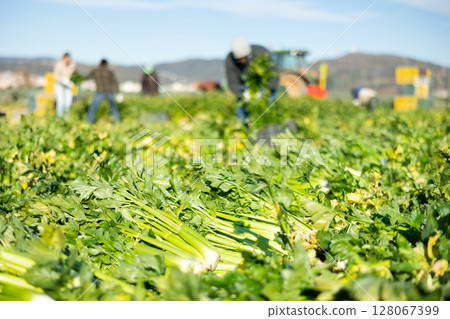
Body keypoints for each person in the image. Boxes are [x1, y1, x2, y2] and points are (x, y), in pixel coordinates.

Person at [225, 38, 278, 123]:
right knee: (242, 112)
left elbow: (274, 76)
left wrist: (265, 91)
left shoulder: (261, 52)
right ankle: (246, 129)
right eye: (239, 59)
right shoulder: (229, 60)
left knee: (270, 110)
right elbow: (232, 82)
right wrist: (242, 93)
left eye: (245, 58)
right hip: (244, 85)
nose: (243, 61)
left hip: (265, 84)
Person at [85, 59, 121, 123]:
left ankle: (89, 121)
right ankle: (117, 121)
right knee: (113, 107)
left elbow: (86, 77)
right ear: (106, 64)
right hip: (108, 91)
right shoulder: (109, 71)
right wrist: (118, 93)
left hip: (99, 91)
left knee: (94, 107)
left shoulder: (95, 71)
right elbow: (114, 82)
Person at [53, 53, 76, 118]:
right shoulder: (59, 64)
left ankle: (66, 118)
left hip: (68, 86)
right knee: (60, 103)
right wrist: (63, 80)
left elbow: (73, 75)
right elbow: (56, 76)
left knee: (68, 103)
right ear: (63, 58)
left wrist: (72, 81)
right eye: (66, 58)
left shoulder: (72, 65)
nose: (67, 60)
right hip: (59, 84)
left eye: (69, 58)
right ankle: (59, 118)